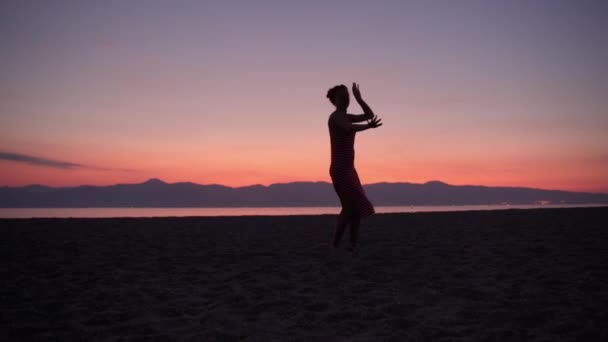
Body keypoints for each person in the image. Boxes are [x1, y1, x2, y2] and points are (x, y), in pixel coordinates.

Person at [327, 83, 382, 252]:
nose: (346, 99)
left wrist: (359, 99)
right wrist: (368, 126)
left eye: (348, 96)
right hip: (339, 169)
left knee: (356, 207)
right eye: (342, 97)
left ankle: (352, 243)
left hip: (350, 169)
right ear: (335, 100)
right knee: (349, 206)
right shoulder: (335, 117)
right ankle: (336, 244)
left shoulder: (347, 116)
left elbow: (369, 114)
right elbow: (349, 128)